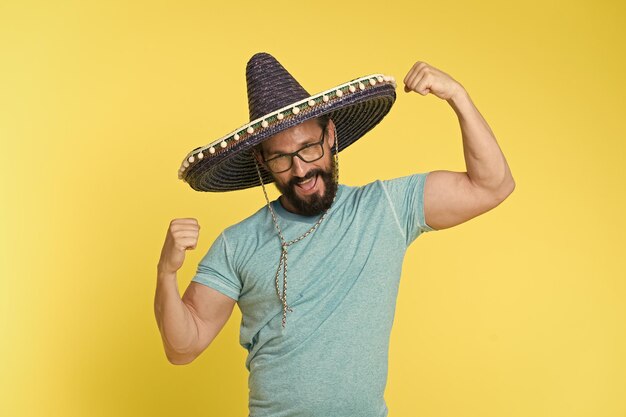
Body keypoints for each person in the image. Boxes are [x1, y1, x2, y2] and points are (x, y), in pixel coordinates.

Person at [154, 52, 514, 417]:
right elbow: (183, 348)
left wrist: (458, 96)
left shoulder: (386, 208)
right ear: (262, 163)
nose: (301, 169)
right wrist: (166, 273)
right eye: (281, 158)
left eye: (309, 148)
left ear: (330, 136)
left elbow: (491, 187)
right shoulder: (238, 243)